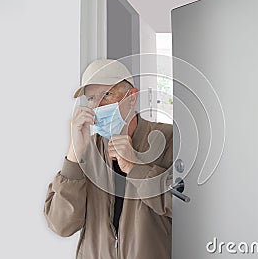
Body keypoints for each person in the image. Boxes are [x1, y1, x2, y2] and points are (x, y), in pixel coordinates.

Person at [43, 59, 173, 259]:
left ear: (132, 98)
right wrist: (74, 153)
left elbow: (186, 206)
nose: (97, 106)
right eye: (92, 99)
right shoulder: (87, 150)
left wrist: (135, 167)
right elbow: (62, 225)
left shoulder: (167, 138)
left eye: (106, 95)